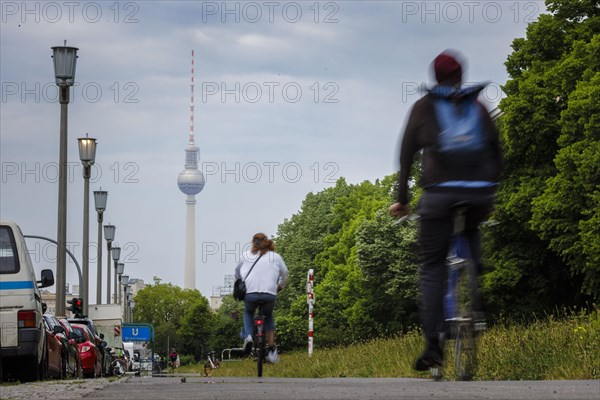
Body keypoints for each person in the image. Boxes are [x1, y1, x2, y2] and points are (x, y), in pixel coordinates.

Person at [389, 50, 502, 371]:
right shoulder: (477, 106)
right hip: (479, 193)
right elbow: (496, 149)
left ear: (435, 77)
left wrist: (403, 199)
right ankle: (476, 274)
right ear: (461, 77)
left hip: (439, 196)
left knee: (432, 267)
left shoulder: (424, 108)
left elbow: (406, 156)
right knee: (471, 225)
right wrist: (490, 190)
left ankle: (433, 347)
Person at [235, 232, 289, 364]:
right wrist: (280, 286)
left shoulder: (245, 256)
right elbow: (285, 273)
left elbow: (237, 274)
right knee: (269, 317)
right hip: (269, 294)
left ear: (253, 242)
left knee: (248, 312)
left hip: (250, 294)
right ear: (267, 242)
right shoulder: (275, 257)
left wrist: (242, 282)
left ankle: (248, 337)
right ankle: (271, 351)